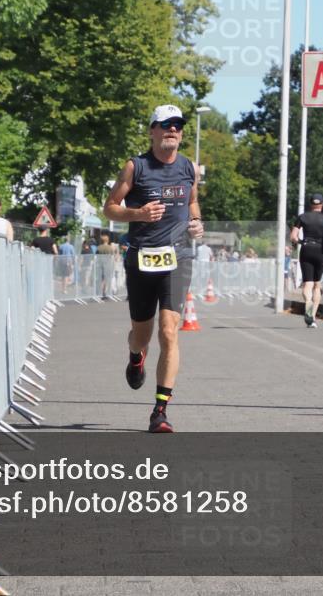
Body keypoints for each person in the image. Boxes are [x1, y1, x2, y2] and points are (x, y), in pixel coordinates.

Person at [103, 104, 203, 433]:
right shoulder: (136, 167)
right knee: (142, 335)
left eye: (178, 125)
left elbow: (191, 203)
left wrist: (196, 223)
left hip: (179, 258)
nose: (173, 129)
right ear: (152, 131)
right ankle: (135, 356)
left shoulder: (189, 168)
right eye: (166, 124)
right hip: (142, 257)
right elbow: (110, 209)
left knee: (169, 332)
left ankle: (160, 410)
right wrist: (140, 215)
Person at [289, 193, 323, 328]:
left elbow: (293, 236)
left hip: (306, 249)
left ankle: (308, 304)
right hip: (320, 251)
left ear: (311, 204)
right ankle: (313, 319)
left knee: (307, 284)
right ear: (322, 204)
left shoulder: (302, 217)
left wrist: (300, 241)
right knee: (317, 285)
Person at [96, 233, 120, 298]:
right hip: (108, 265)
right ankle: (104, 292)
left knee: (101, 279)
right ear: (107, 240)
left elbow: (96, 257)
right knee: (106, 279)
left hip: (100, 265)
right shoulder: (110, 248)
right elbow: (113, 257)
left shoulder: (99, 248)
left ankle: (100, 292)